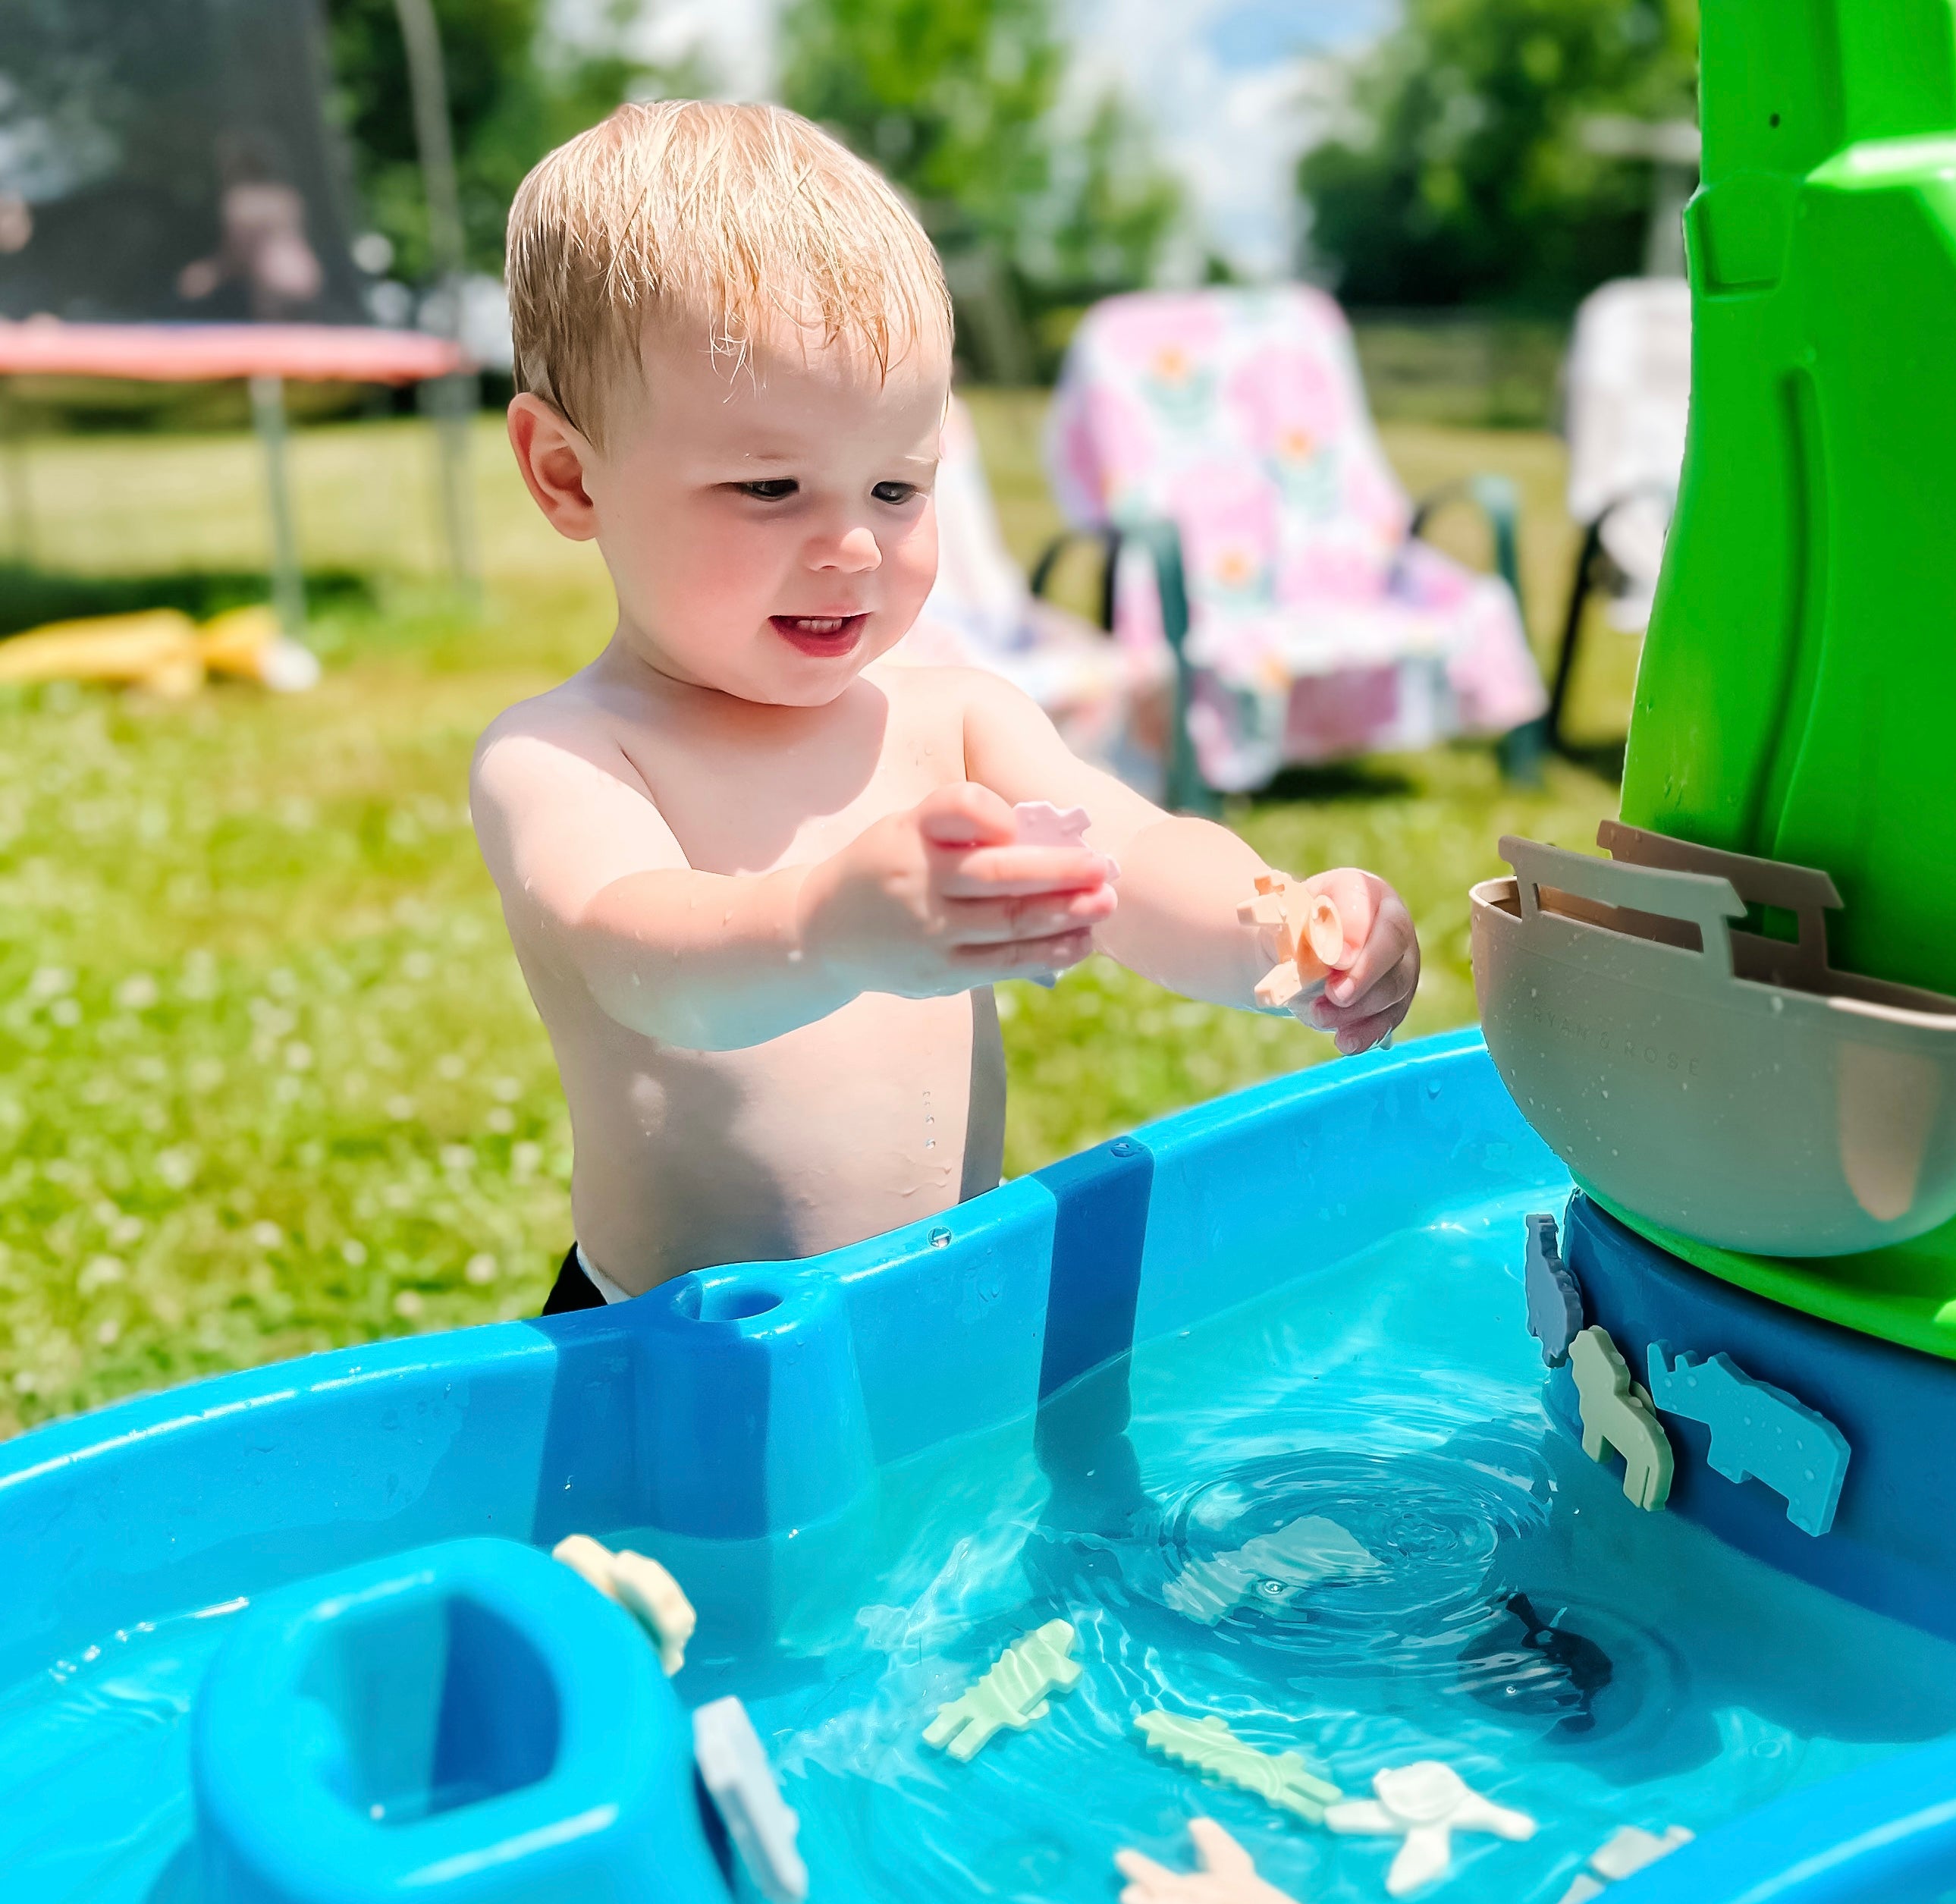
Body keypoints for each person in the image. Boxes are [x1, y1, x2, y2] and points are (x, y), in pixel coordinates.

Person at [475, 102, 1423, 1310]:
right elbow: (645, 962)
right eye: (770, 486)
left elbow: (1137, 863)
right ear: (567, 474)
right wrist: (826, 927)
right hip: (676, 1345)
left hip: (938, 1314)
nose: (855, 547)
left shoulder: (955, 723)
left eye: (896, 486)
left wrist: (1281, 930)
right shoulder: (569, 756)